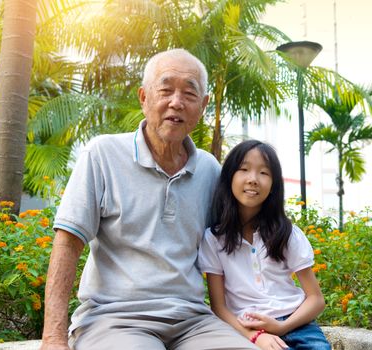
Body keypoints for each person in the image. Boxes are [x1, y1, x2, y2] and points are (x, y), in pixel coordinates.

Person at [40, 49, 259, 350]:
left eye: (189, 93)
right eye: (165, 90)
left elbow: (234, 247)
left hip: (193, 321)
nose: (176, 102)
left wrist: (269, 321)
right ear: (144, 98)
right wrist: (53, 338)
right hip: (114, 319)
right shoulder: (102, 154)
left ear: (203, 105)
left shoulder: (209, 169)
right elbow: (68, 243)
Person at [198, 140, 331, 350]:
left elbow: (316, 299)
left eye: (264, 173)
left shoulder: (286, 233)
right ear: (229, 177)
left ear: (273, 186)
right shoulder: (214, 239)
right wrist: (255, 336)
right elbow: (219, 307)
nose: (253, 179)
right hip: (244, 327)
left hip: (295, 323)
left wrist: (281, 327)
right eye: (243, 169)